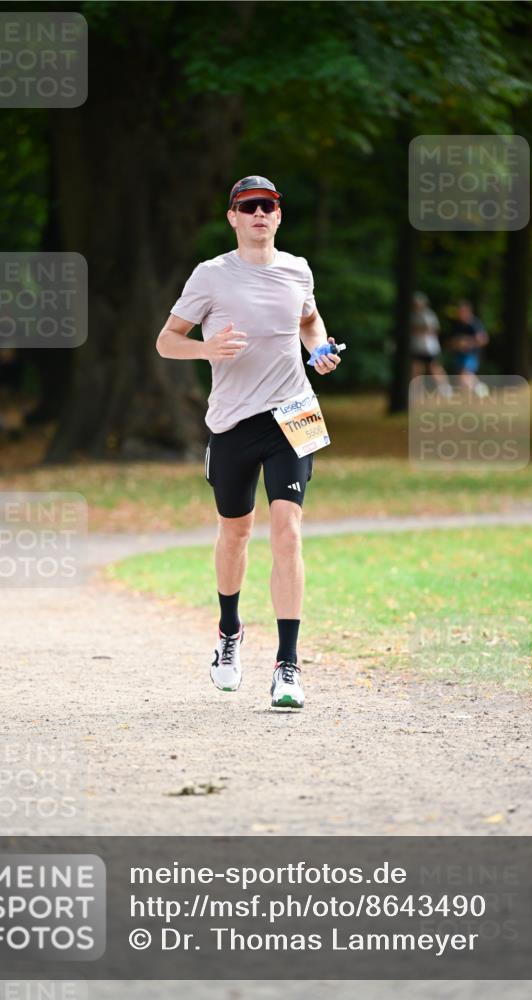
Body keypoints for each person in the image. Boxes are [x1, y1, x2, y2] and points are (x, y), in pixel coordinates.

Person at [156, 175, 341, 709]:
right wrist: (207, 347)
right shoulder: (211, 276)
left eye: (268, 206)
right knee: (235, 532)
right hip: (233, 420)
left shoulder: (297, 270)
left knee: (288, 531)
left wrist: (320, 347)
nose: (259, 213)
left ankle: (288, 665)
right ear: (233, 217)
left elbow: (309, 321)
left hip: (294, 414)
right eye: (248, 206)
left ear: (278, 216)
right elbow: (167, 342)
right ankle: (229, 634)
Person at [410, 292, 452, 397]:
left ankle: (445, 389)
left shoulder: (428, 314)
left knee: (435, 368)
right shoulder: (412, 315)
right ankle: (415, 391)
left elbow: (433, 330)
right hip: (417, 347)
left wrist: (419, 330)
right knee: (416, 369)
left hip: (430, 348)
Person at [447, 300, 489, 397]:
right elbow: (451, 341)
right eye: (459, 311)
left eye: (462, 311)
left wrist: (468, 343)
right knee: (463, 377)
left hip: (472, 355)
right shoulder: (457, 325)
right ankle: (479, 388)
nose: (460, 313)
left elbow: (484, 339)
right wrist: (457, 343)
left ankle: (472, 394)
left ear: (468, 311)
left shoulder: (474, 323)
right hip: (459, 355)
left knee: (464, 375)